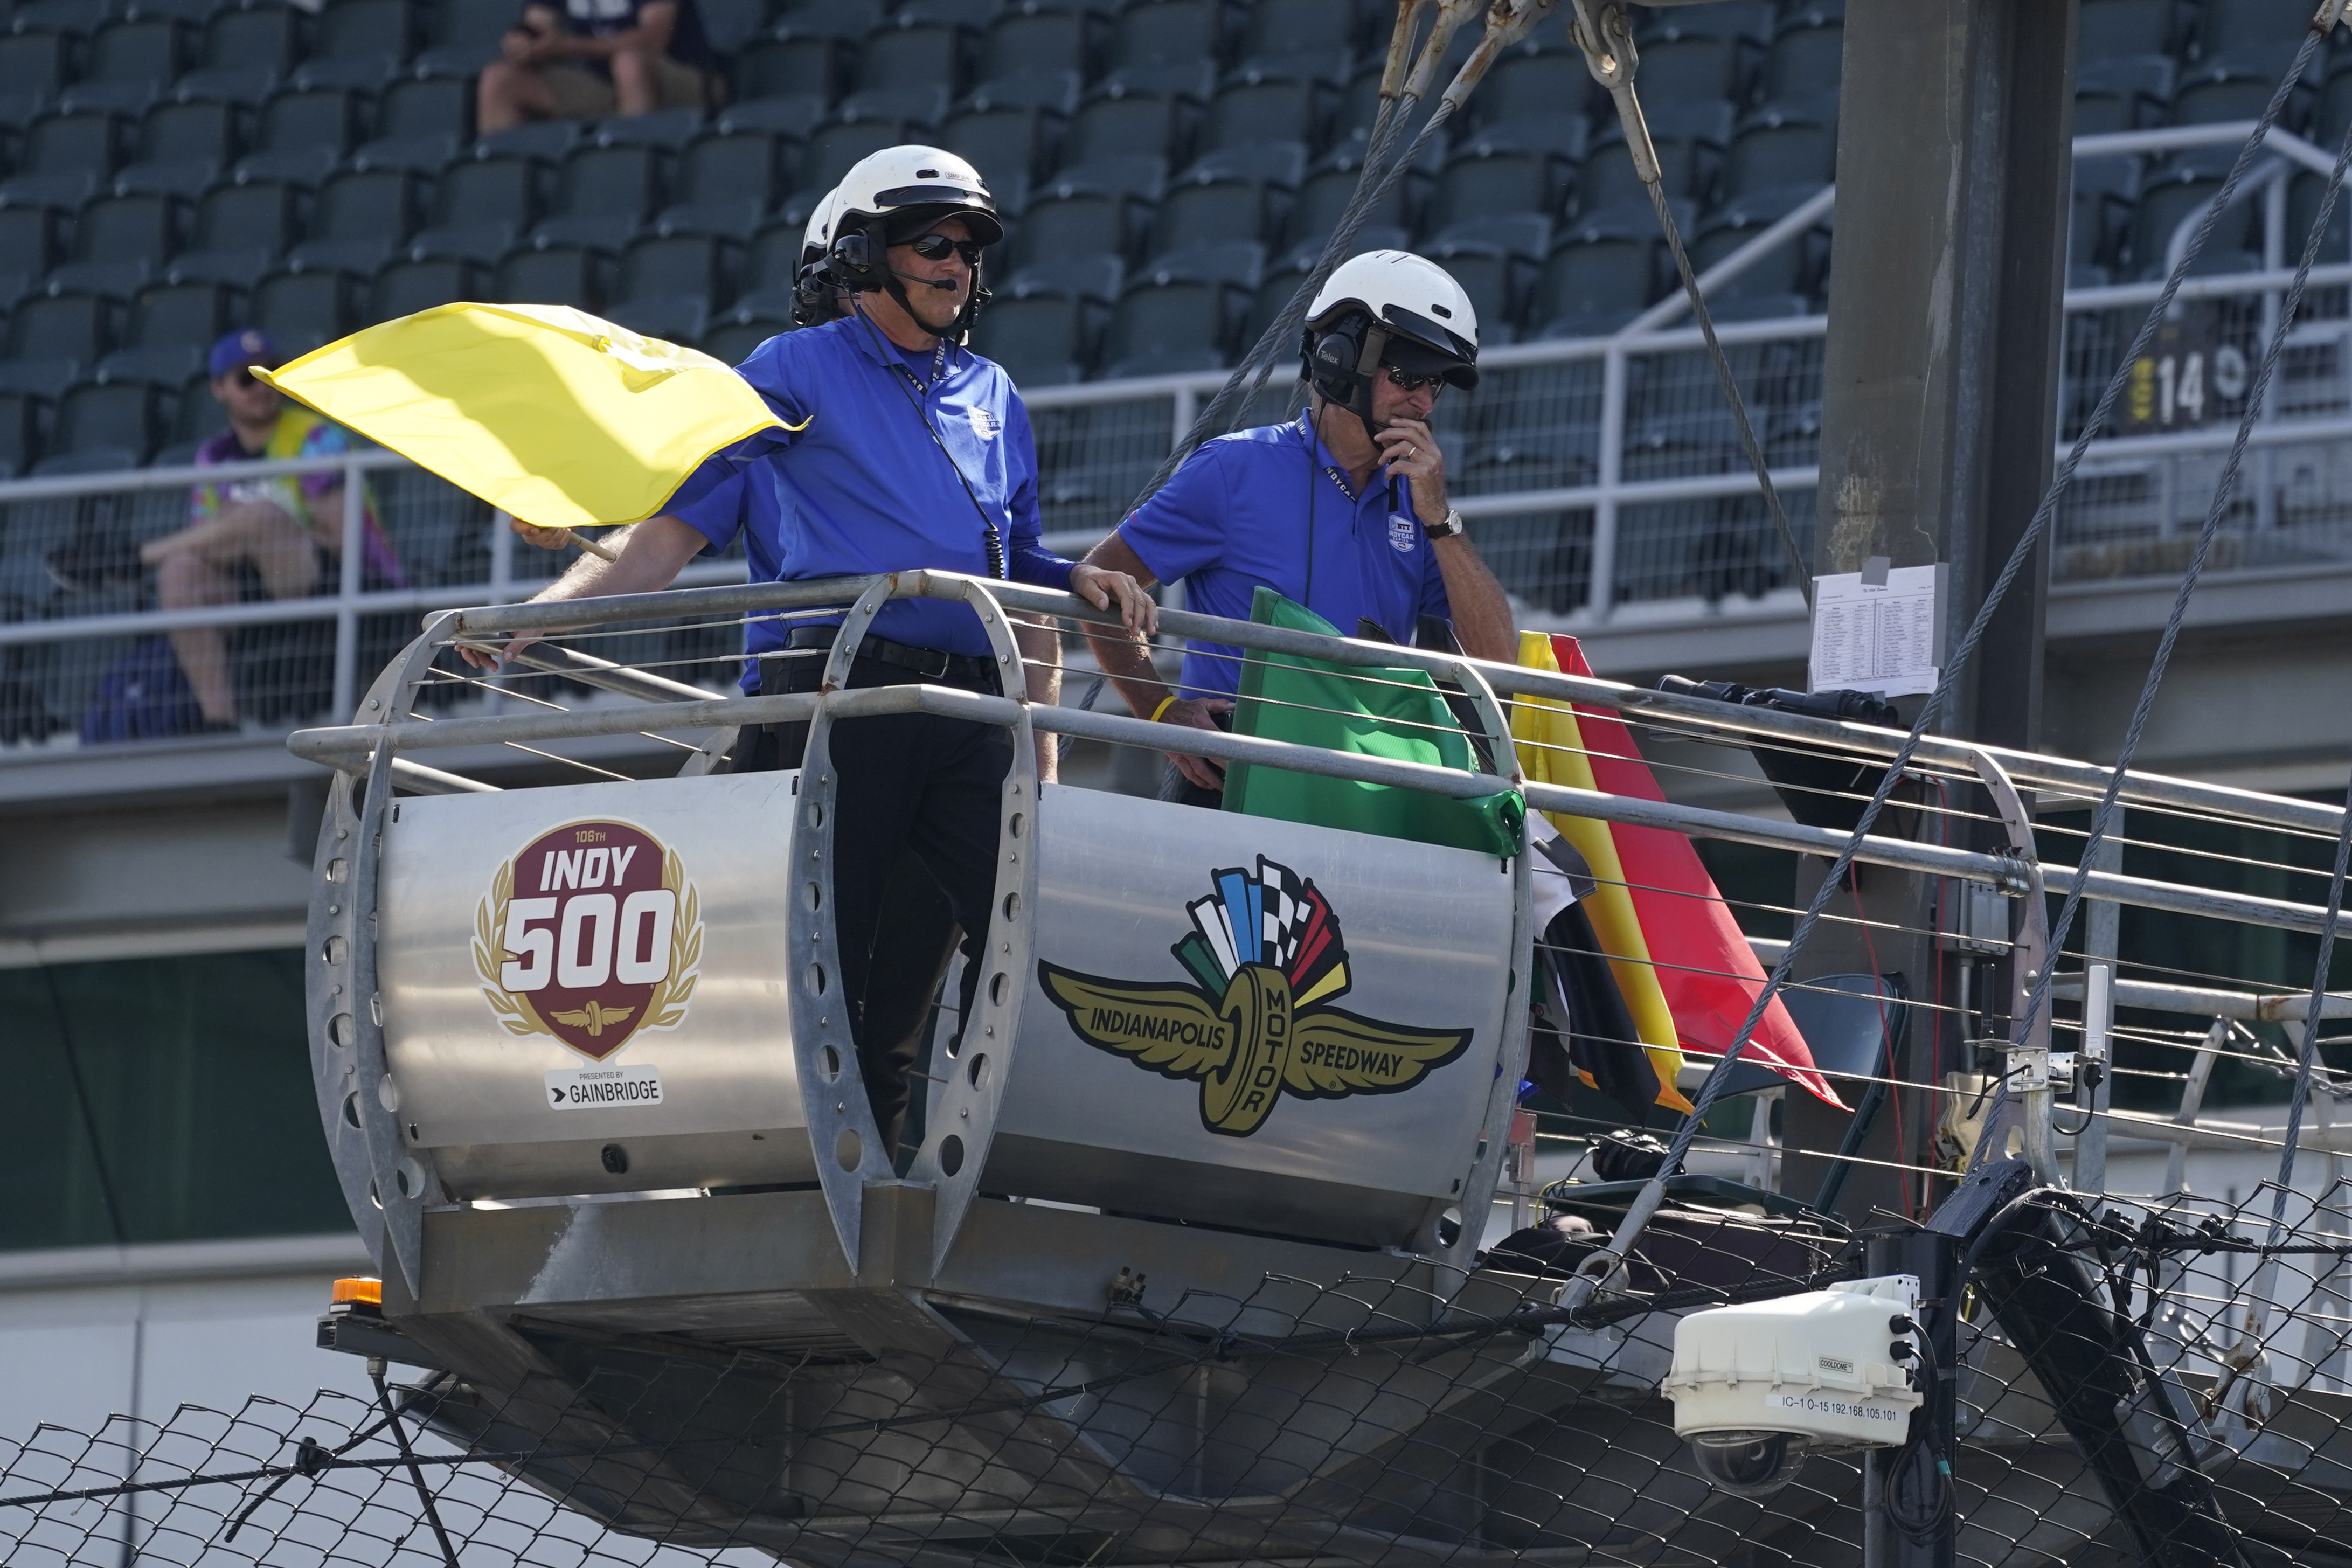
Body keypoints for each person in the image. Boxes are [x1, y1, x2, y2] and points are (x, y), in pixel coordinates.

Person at [463, 147, 1154, 1155]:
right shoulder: (789, 370)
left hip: (971, 714)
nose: (957, 263)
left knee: (1022, 931)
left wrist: (1073, 587)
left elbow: (1010, 559)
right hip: (839, 696)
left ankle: (959, 1176)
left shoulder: (995, 391)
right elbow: (668, 532)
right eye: (933, 243)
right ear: (869, 256)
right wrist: (543, 616)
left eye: (969, 247)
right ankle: (801, 1186)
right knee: (824, 968)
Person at [1079, 250, 1517, 806]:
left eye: (1437, 384)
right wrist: (1161, 710)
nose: (1424, 401)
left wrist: (1441, 522)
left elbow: (1500, 667)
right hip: (1240, 780)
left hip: (1371, 791)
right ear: (1339, 359)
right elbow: (1099, 582)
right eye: (1408, 374)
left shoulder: (1421, 506)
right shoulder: (1230, 471)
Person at [52, 329, 400, 731]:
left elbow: (346, 542)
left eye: (271, 373)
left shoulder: (314, 438)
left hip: (338, 582)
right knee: (180, 570)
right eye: (247, 379)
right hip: (256, 590)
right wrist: (243, 533)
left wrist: (261, 529)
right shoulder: (214, 456)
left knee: (258, 518)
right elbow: (209, 542)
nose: (261, 387)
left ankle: (134, 559)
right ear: (219, 389)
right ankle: (220, 720)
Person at [477, 0, 716, 133]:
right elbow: (537, 23)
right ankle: (500, 200)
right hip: (604, 83)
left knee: (629, 63)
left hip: (685, 78)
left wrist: (567, 46)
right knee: (499, 80)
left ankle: (632, 175)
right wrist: (526, 44)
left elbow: (653, 40)